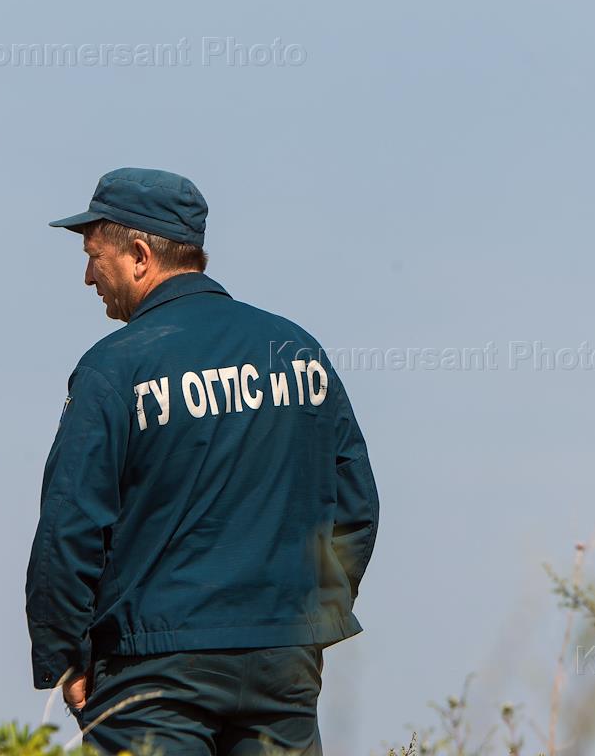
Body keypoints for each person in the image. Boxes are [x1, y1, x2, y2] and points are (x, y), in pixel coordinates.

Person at [25, 167, 379, 755]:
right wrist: (304, 619)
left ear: (140, 256)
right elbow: (356, 507)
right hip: (283, 667)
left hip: (153, 669)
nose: (88, 277)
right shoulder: (296, 351)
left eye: (94, 257)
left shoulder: (115, 367)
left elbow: (70, 526)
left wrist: (66, 657)